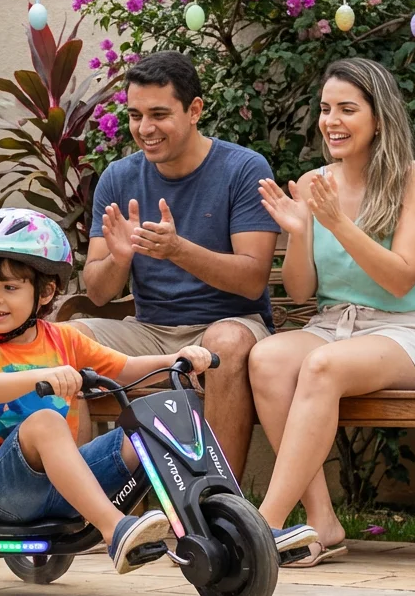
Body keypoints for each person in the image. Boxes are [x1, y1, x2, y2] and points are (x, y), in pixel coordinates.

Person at [251, 58, 415, 567]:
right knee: (267, 358)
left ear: (378, 117)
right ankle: (321, 520)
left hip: (406, 334)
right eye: (324, 109)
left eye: (346, 109)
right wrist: (298, 233)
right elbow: (300, 293)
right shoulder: (315, 180)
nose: (331, 121)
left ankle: (263, 525)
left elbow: (401, 277)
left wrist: (337, 223)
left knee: (321, 367)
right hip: (331, 326)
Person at [0, 207, 216, 574]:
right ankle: (115, 529)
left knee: (147, 427)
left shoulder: (64, 339)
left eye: (9, 288)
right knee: (45, 421)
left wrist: (177, 358)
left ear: (45, 292)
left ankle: (205, 523)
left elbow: (124, 369)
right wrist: (43, 375)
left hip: (64, 487)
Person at [75, 52, 289, 505]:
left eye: (159, 114)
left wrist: (178, 250)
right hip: (150, 330)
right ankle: (85, 507)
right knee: (67, 341)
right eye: (135, 115)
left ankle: (216, 505)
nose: (144, 128)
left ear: (194, 110)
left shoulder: (243, 169)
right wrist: (119, 258)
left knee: (225, 346)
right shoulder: (118, 178)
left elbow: (253, 281)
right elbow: (97, 292)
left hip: (229, 323)